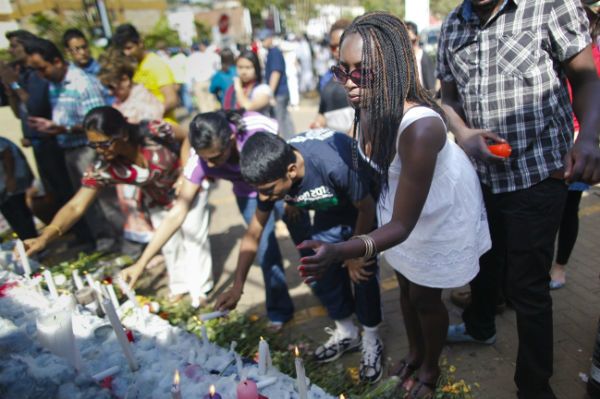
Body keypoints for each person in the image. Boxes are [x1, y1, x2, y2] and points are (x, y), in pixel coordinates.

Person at [298, 13, 490, 397]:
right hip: (400, 203)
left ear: (390, 67)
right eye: (342, 71)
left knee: (424, 296)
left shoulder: (421, 127)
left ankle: (430, 371)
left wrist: (342, 250)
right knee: (403, 286)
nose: (349, 84)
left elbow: (402, 226)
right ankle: (417, 352)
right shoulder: (367, 105)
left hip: (437, 211)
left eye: (361, 73)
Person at [438, 1, 600, 398]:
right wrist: (462, 132)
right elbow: (448, 99)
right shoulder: (452, 26)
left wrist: (591, 137)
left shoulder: (550, 6)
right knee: (483, 262)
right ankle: (481, 328)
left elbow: (587, 81)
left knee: (527, 287)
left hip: (539, 172)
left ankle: (532, 386)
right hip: (482, 176)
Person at [217, 129, 384, 383]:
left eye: (271, 190)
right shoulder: (275, 175)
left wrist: (353, 254)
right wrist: (238, 285)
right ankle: (346, 332)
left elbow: (367, 206)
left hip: (362, 207)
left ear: (292, 172)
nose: (267, 198)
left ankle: (372, 339)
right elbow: (253, 234)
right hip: (329, 211)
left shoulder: (334, 164)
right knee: (318, 266)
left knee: (362, 271)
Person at [21, 106, 210, 305]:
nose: (100, 151)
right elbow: (76, 206)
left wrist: (185, 171)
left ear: (122, 134)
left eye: (104, 143)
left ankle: (201, 290)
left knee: (194, 238)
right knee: (169, 246)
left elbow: (188, 136)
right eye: (94, 146)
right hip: (157, 200)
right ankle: (179, 286)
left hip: (189, 189)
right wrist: (46, 236)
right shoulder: (104, 167)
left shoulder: (154, 130)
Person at [120, 110, 286, 310]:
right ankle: (280, 312)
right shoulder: (199, 161)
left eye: (215, 158)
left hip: (284, 186)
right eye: (203, 158)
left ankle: (330, 298)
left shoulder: (254, 127)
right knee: (265, 249)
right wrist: (141, 264)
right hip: (249, 196)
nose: (209, 165)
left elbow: (287, 156)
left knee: (306, 242)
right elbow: (177, 213)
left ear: (231, 140)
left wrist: (292, 200)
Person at [24, 38, 122, 252]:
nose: (41, 75)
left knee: (105, 201)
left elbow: (99, 125)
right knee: (85, 203)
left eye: (42, 68)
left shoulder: (83, 83)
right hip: (69, 150)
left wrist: (63, 129)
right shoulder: (54, 85)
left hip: (91, 150)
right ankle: (105, 243)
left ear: (57, 61)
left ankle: (125, 242)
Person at [550, 3, 600, 289]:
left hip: (577, 139)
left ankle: (560, 267)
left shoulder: (592, 55)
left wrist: (587, 139)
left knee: (569, 208)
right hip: (552, 139)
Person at [0, 30, 74, 213]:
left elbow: (35, 106)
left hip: (52, 141)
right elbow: (19, 113)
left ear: (27, 46)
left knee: (66, 189)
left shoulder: (38, 74)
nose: (10, 51)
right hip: (37, 143)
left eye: (14, 46)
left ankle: (85, 234)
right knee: (55, 191)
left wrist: (15, 84)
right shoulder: (22, 74)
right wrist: (10, 89)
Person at [112, 24, 179, 125]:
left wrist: (149, 117)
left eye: (129, 48)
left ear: (140, 43)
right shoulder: (136, 67)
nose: (127, 53)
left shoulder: (155, 64)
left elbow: (172, 100)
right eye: (123, 50)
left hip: (164, 128)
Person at [310, 19, 354, 133]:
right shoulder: (327, 77)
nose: (337, 50)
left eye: (341, 44)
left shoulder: (362, 77)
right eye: (333, 47)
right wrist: (318, 123)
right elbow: (323, 112)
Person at [257, 29, 296, 139]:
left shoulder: (274, 52)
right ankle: (292, 140)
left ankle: (289, 143)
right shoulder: (272, 52)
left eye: (263, 39)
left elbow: (275, 73)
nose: (262, 42)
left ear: (270, 38)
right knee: (285, 118)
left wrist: (270, 94)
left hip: (279, 93)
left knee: (280, 120)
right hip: (281, 92)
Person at [0, 136, 36, 240]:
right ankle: (26, 242)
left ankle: (32, 242)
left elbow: (7, 154)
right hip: (3, 185)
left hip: (11, 181)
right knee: (10, 215)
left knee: (19, 213)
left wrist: (10, 178)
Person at [223, 50, 272, 116]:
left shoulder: (263, 89)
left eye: (248, 67)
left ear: (256, 68)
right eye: (240, 67)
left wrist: (238, 88)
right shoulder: (231, 90)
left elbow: (247, 107)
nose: (243, 72)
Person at [187, 41, 220, 113]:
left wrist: (189, 87)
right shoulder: (205, 56)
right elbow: (212, 70)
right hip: (208, 81)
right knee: (211, 102)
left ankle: (207, 120)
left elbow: (189, 74)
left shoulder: (190, 58)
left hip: (198, 83)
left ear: (192, 49)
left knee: (202, 104)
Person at [404, 21, 436, 95]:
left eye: (412, 41)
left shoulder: (424, 58)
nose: (409, 45)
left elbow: (431, 87)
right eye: (406, 42)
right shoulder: (402, 60)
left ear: (418, 38)